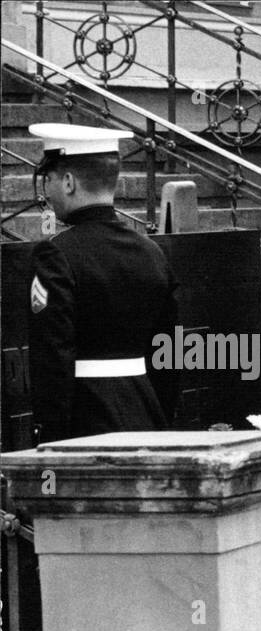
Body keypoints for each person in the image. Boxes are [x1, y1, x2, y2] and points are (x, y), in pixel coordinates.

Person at [27, 123, 177, 443]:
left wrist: (50, 439)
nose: (47, 192)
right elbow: (168, 353)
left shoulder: (56, 255)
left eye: (50, 180)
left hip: (84, 423)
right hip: (147, 416)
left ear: (68, 182)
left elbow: (53, 358)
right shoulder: (152, 252)